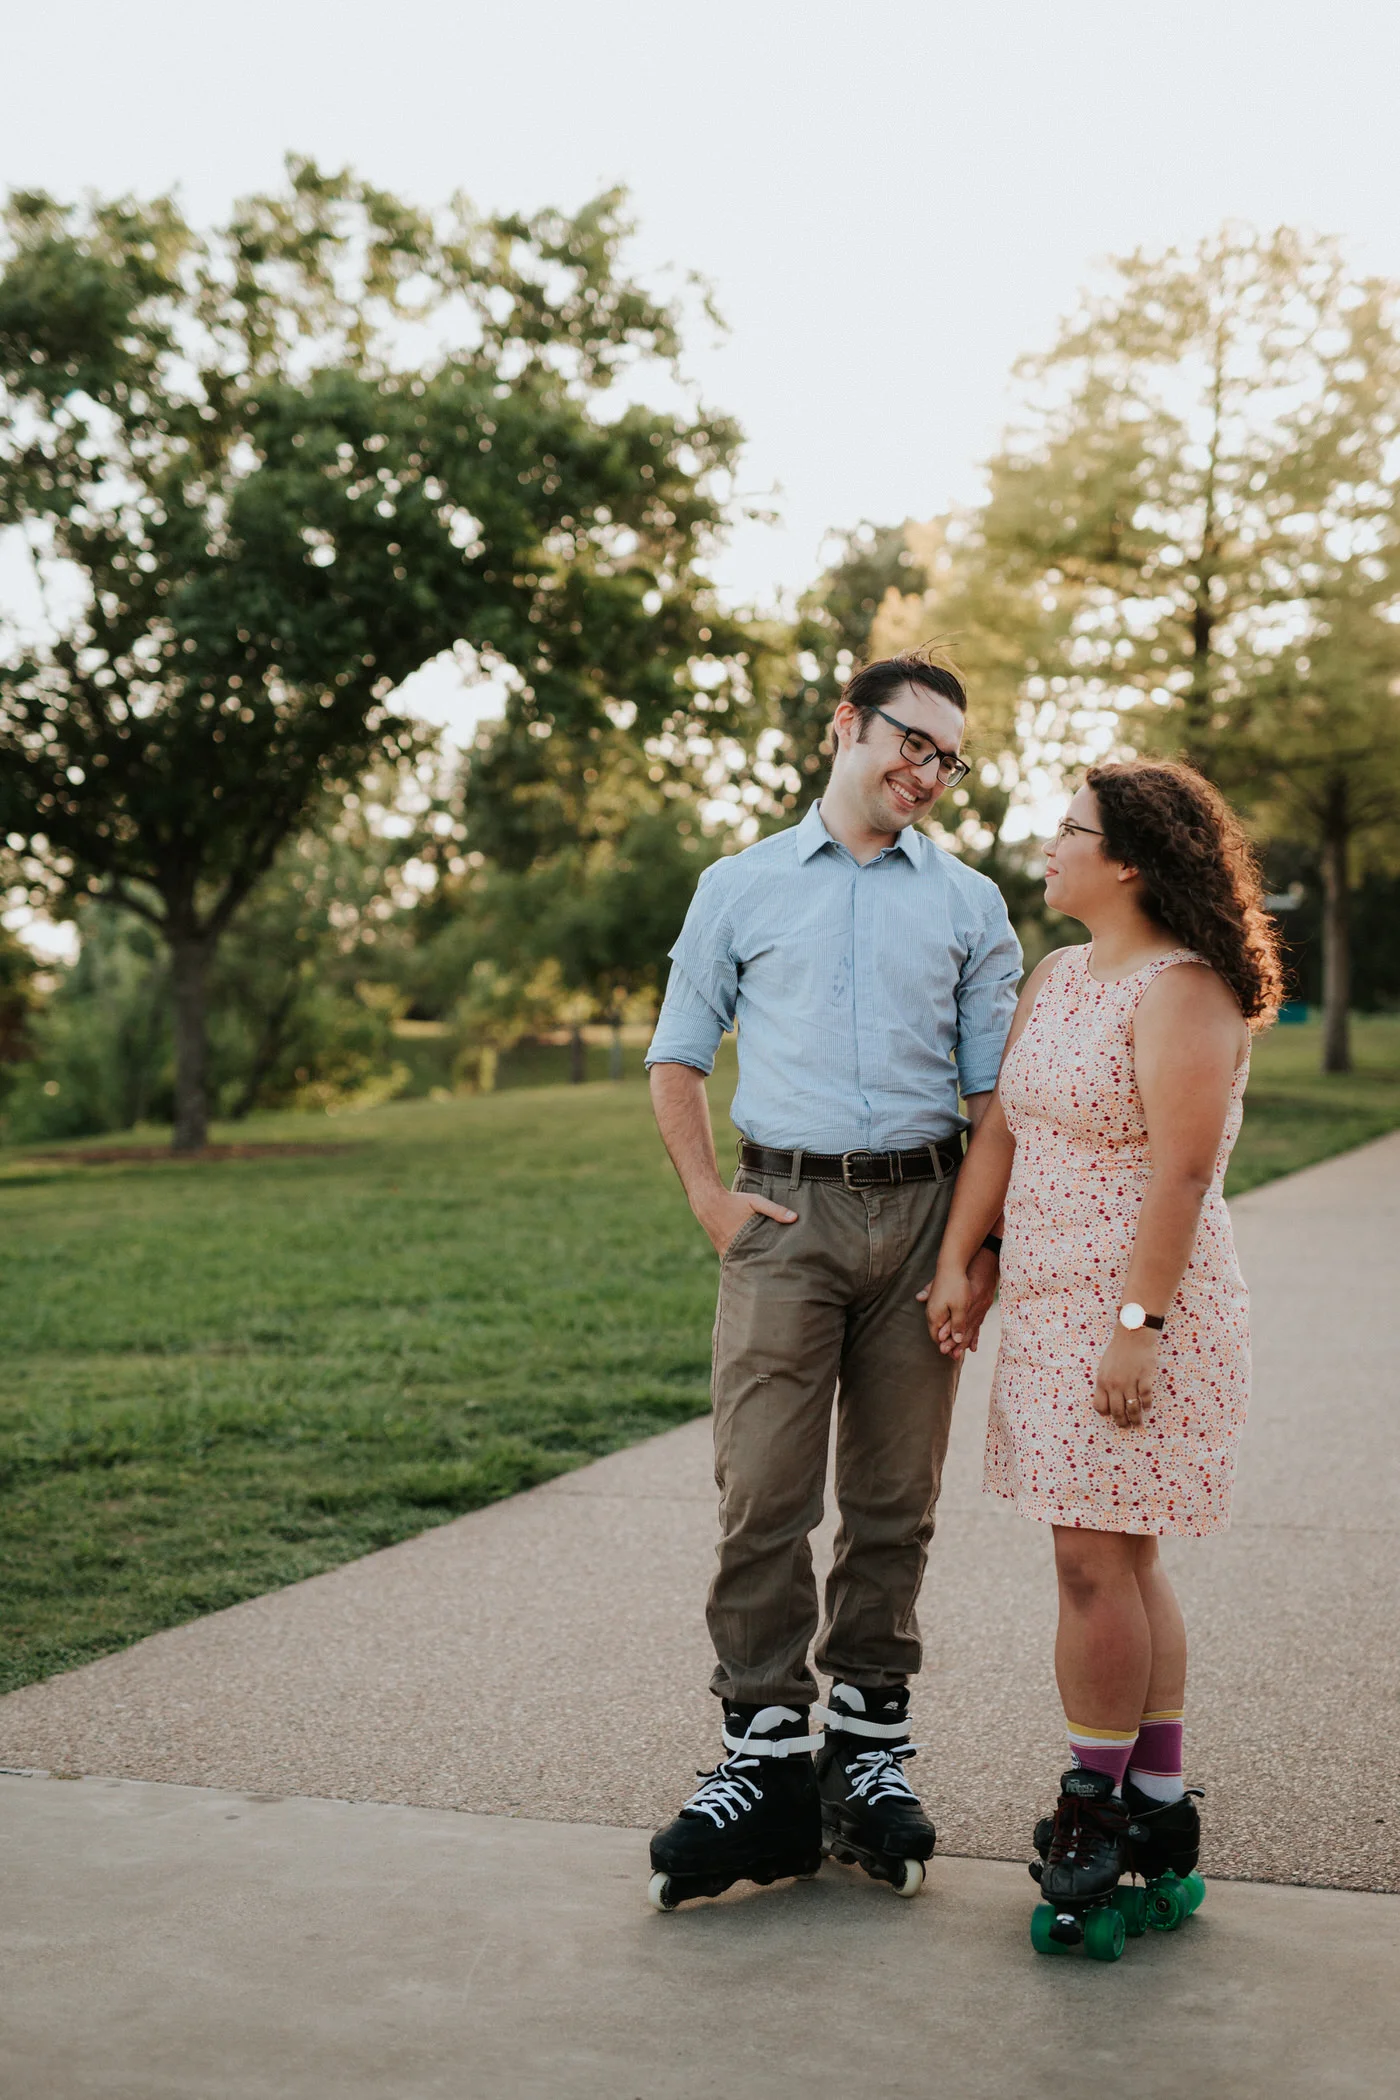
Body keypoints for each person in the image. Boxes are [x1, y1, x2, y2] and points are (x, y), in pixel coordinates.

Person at [643, 652, 1022, 1910]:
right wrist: (709, 1199)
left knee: (890, 1501)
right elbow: (676, 1057)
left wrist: (975, 1247)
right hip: (783, 1211)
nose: (924, 773)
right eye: (909, 744)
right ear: (844, 726)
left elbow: (991, 1102)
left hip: (924, 1214)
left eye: (945, 760)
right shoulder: (737, 886)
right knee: (760, 1490)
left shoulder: (969, 904)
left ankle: (867, 1750)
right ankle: (760, 1757)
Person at [924, 759, 1283, 1955]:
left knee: (1090, 1563)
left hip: (1141, 1311)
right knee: (1117, 1555)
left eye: (1068, 830)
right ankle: (1158, 1807)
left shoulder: (1183, 991)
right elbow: (1001, 1135)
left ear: (1125, 860)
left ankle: (1095, 1809)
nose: (1048, 846)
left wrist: (1137, 1329)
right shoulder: (1059, 975)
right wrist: (955, 1259)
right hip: (1041, 1303)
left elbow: (1180, 1173)